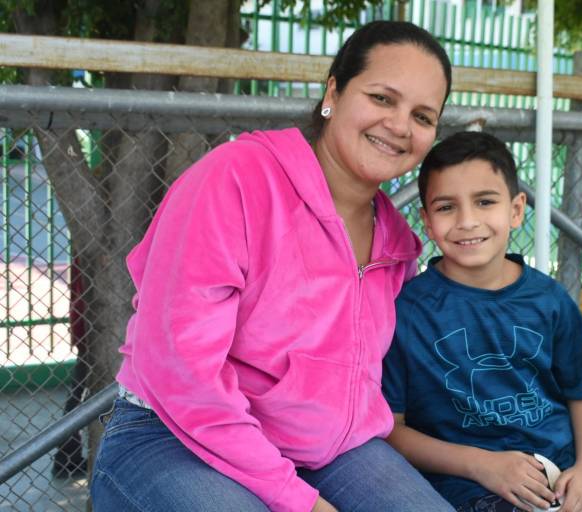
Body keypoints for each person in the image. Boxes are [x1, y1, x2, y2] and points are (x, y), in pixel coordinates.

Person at [90, 20, 456, 512]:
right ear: (334, 92)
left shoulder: (396, 242)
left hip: (327, 449)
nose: (400, 126)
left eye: (423, 115)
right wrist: (297, 500)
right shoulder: (235, 179)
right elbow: (181, 371)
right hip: (173, 436)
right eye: (383, 98)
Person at [382, 131, 582, 512]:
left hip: (563, 467)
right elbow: (392, 430)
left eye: (485, 202)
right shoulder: (405, 311)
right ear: (426, 220)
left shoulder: (550, 302)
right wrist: (481, 464)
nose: (468, 221)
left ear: (516, 210)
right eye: (446, 207)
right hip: (467, 480)